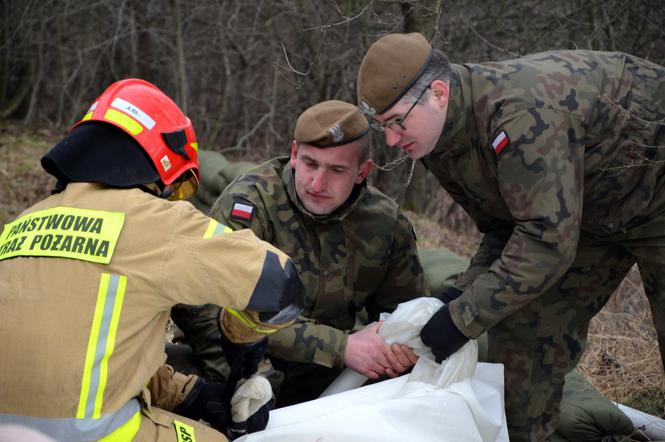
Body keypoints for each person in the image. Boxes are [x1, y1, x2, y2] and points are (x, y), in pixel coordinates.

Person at [357, 33, 665, 441]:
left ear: (438, 93)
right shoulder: (436, 141)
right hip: (586, 210)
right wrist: (454, 298)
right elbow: (504, 229)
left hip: (655, 182)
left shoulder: (520, 114)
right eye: (382, 127)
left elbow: (545, 241)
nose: (392, 140)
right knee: (523, 333)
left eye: (397, 121)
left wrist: (460, 319)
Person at [0, 79, 305, 441]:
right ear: (161, 161)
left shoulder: (21, 224)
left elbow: (85, 359)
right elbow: (281, 282)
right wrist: (240, 333)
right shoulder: (157, 220)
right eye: (178, 186)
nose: (173, 198)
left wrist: (193, 396)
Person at [172, 100, 426, 406]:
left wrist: (396, 348)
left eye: (336, 170)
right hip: (241, 359)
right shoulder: (250, 206)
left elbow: (404, 315)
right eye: (310, 163)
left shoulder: (386, 224)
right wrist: (339, 347)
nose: (318, 183)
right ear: (294, 154)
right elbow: (203, 307)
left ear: (362, 172)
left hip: (325, 376)